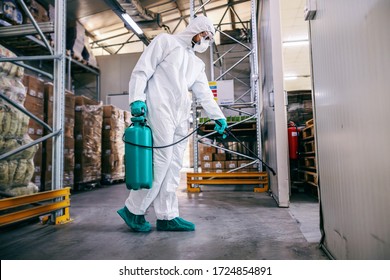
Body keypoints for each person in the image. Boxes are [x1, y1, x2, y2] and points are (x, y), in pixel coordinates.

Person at [117, 16, 227, 232]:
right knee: (160, 161)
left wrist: (218, 116)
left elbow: (204, 93)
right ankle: (133, 210)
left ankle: (167, 216)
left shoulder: (197, 63)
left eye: (209, 39)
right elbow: (142, 70)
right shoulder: (165, 42)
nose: (206, 41)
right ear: (196, 30)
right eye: (205, 36)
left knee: (174, 164)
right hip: (160, 109)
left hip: (180, 115)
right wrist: (137, 98)